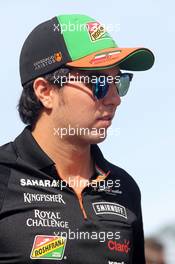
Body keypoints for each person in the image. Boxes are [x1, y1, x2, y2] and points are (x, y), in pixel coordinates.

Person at [0, 14, 154, 264]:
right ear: (45, 91)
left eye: (119, 82)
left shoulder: (125, 188)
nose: (115, 98)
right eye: (100, 83)